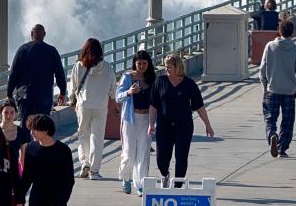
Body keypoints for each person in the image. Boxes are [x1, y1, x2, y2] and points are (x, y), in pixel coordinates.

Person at [147, 55, 215, 187]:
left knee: (181, 157)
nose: (166, 68)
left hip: (183, 126)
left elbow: (199, 106)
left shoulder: (189, 84)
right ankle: (165, 174)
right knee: (162, 158)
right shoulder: (160, 82)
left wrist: (208, 125)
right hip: (164, 126)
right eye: (165, 65)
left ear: (177, 66)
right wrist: (151, 124)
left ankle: (178, 185)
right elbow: (153, 105)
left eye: (169, 66)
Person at [15, 115, 75, 206]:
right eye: (31, 129)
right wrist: (20, 199)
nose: (31, 132)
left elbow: (68, 181)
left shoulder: (63, 150)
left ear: (46, 130)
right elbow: (27, 177)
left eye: (35, 129)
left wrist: (60, 205)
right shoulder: (30, 148)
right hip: (36, 205)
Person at [70, 38, 116, 180]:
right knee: (97, 138)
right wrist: (114, 104)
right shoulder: (108, 67)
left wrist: (72, 100)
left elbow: (73, 85)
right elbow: (113, 88)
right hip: (101, 106)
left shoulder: (79, 65)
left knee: (83, 134)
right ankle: (94, 171)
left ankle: (85, 162)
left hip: (83, 105)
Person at [260, 19, 296, 158]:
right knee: (288, 120)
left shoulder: (270, 46)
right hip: (289, 91)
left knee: (270, 118)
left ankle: (272, 135)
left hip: (272, 88)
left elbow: (263, 68)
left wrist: (264, 85)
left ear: (279, 31)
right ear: (292, 33)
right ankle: (282, 148)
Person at [7, 24, 68, 123]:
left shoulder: (22, 50)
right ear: (44, 34)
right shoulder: (52, 51)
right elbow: (60, 74)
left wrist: (9, 93)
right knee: (42, 126)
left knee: (25, 124)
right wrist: (62, 92)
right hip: (44, 96)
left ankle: (26, 138)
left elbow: (14, 73)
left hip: (24, 95)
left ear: (31, 34)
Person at [116, 50, 157, 196]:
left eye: (144, 63)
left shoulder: (152, 78)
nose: (141, 66)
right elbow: (118, 97)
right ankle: (126, 178)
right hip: (130, 118)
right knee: (128, 152)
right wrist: (128, 92)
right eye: (139, 63)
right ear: (134, 63)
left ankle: (140, 184)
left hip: (146, 118)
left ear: (148, 64)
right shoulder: (128, 76)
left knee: (143, 152)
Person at [0, 101, 30, 206]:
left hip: (14, 178)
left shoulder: (21, 133)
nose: (9, 115)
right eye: (6, 112)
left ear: (16, 114)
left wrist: (22, 181)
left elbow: (23, 156)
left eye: (11, 112)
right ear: (1, 113)